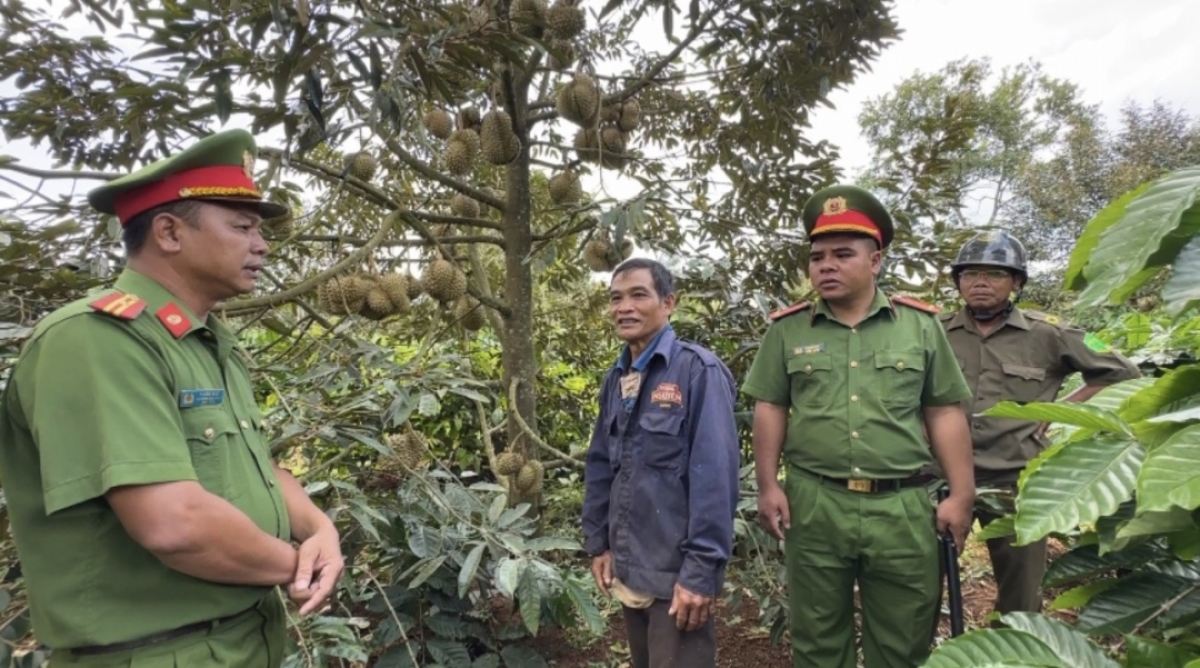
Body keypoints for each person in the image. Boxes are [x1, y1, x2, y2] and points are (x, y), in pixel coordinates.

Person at [0, 129, 344, 666]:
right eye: (243, 227)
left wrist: (321, 529)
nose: (262, 245)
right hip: (157, 653)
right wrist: (297, 564)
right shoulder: (96, 341)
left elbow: (259, 469)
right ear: (168, 232)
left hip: (240, 643)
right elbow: (174, 524)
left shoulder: (200, 342)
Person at [742, 185, 976, 668]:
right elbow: (771, 409)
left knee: (903, 639)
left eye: (842, 254)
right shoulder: (788, 330)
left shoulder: (920, 326)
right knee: (817, 638)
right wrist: (768, 485)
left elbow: (943, 411)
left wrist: (961, 493)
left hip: (902, 507)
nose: (825, 265)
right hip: (815, 502)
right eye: (817, 256)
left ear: (876, 261)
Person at [940, 230, 1141, 615]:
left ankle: (1010, 654)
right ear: (959, 282)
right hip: (941, 479)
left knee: (1021, 593)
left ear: (1016, 282)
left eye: (995, 274)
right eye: (970, 274)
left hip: (1015, 480)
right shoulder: (933, 330)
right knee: (922, 581)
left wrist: (1062, 408)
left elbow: (1122, 371)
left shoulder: (1051, 331)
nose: (980, 282)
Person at [581, 258, 740, 668]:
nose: (624, 307)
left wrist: (699, 573)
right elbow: (601, 463)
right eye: (616, 298)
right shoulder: (617, 378)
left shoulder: (697, 371)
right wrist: (599, 542)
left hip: (677, 574)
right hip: (632, 563)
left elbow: (715, 479)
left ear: (669, 303)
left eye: (638, 295)